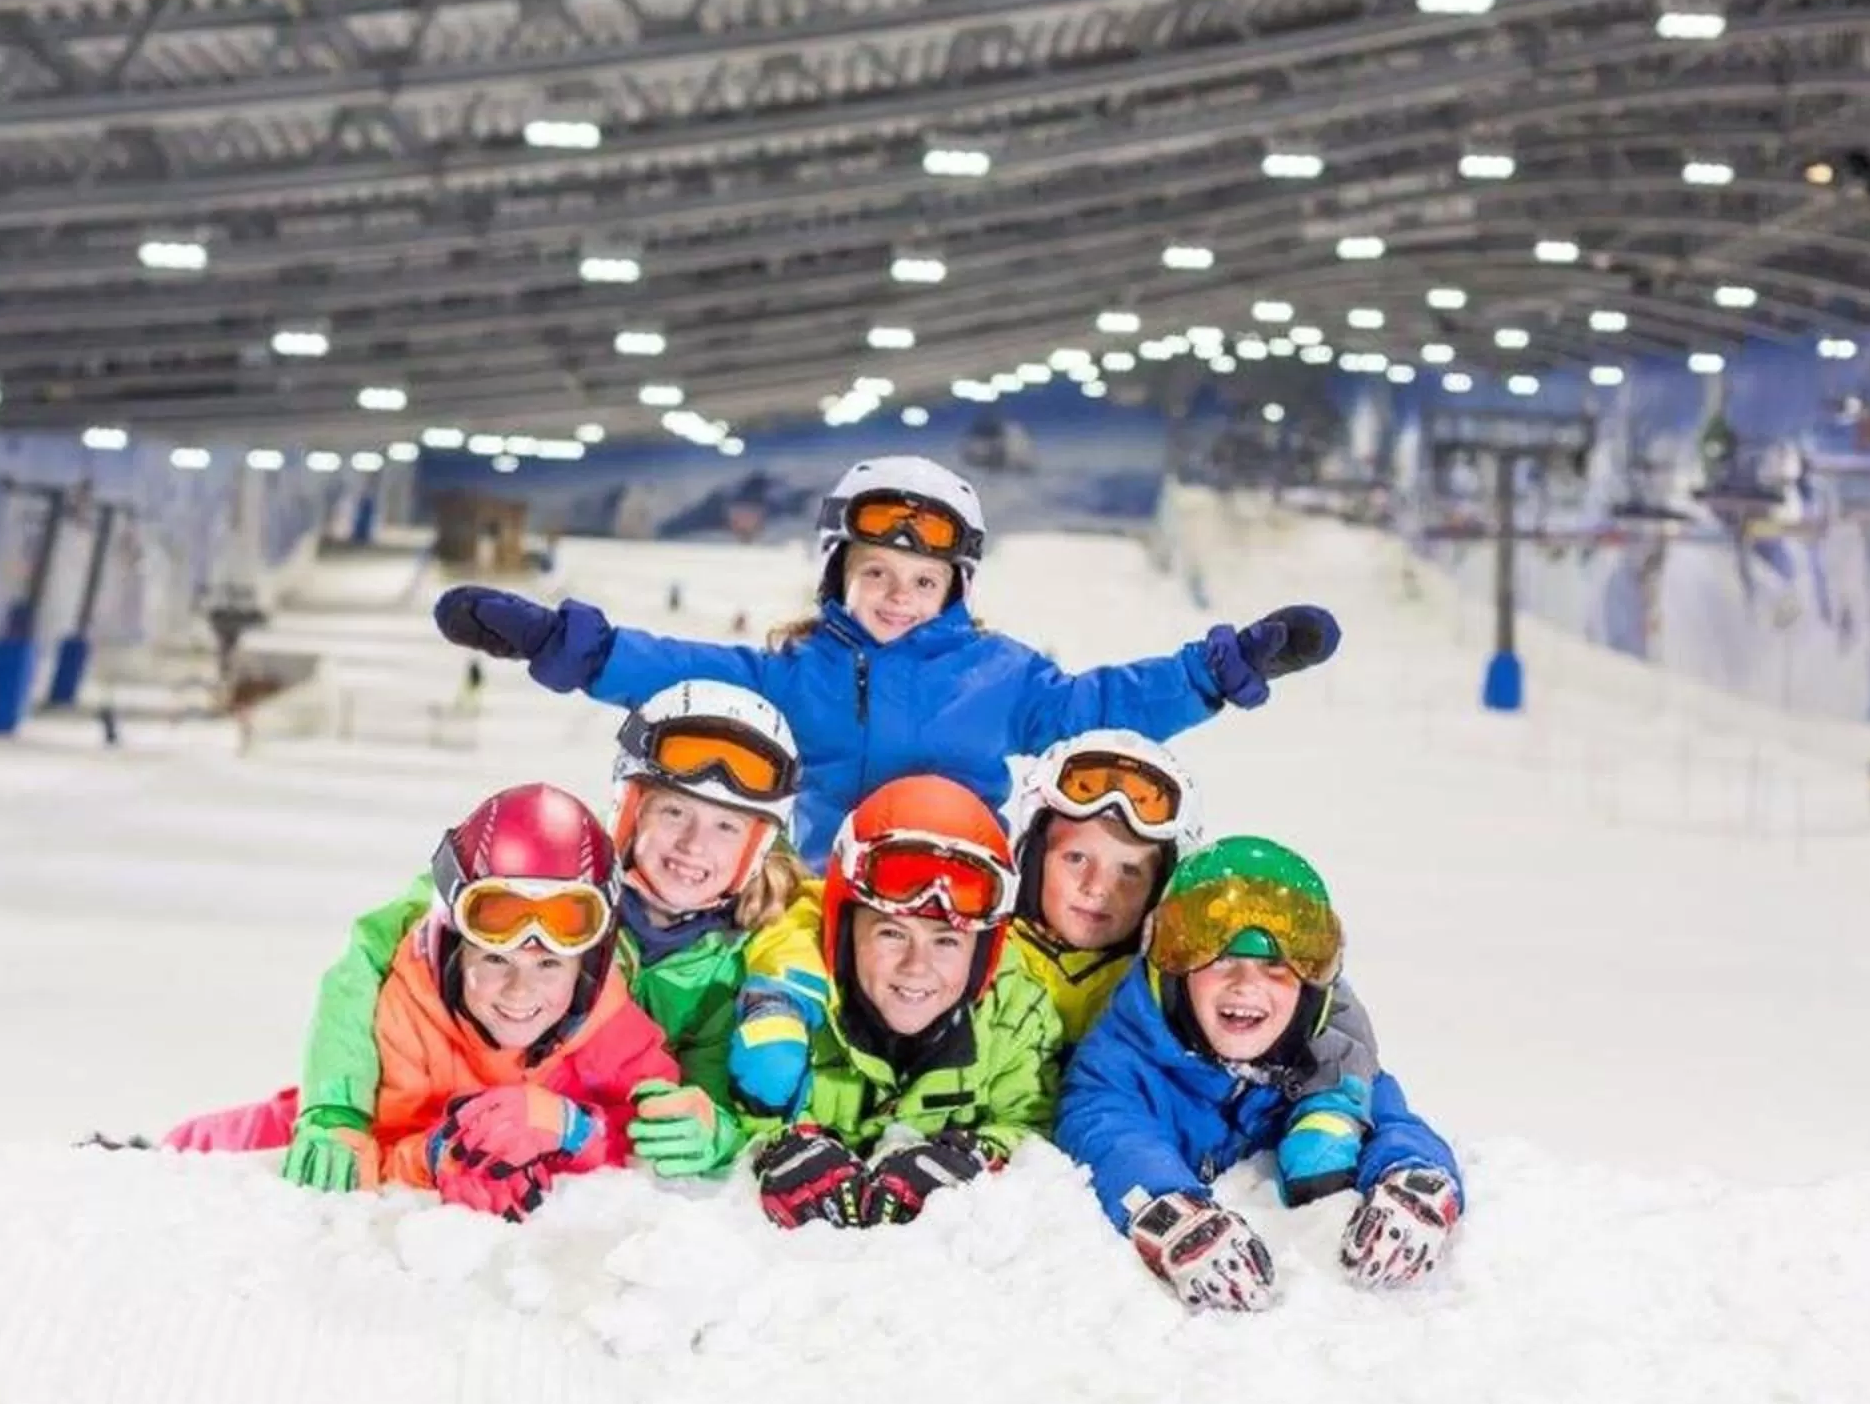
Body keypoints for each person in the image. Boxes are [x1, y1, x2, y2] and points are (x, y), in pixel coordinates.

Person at [427, 455, 1343, 851]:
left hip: (959, 896)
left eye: (922, 580)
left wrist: (1215, 671)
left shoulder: (1004, 678)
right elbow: (678, 674)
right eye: (876, 573)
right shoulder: (795, 677)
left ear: (956, 589)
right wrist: (564, 645)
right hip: (827, 892)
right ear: (838, 575)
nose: (897, 596)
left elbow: (1103, 706)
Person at [159, 685, 808, 1183]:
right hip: (422, 1086)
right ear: (631, 810)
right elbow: (364, 968)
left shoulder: (734, 969)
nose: (694, 845)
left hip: (546, 1128)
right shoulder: (538, 875)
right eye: (674, 812)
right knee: (279, 1126)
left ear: (755, 847)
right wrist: (336, 1109)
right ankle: (150, 1157)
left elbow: (682, 1096)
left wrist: (713, 1132)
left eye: (727, 828)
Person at [202, 783, 681, 1220]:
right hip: (354, 1116)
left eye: (550, 965)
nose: (520, 990)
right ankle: (152, 1148)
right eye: (495, 960)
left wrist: (572, 1128)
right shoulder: (407, 1012)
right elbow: (375, 1147)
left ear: (587, 968)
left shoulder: (610, 1022)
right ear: (454, 947)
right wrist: (435, 1154)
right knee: (266, 1129)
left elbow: (649, 1124)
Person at [1052, 835, 1463, 1311]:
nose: (1245, 985)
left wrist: (1413, 1174)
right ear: (1171, 970)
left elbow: (1390, 1117)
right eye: (1220, 958)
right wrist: (1170, 1212)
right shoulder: (1120, 1060)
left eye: (1275, 968)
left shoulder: (1321, 1057)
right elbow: (1109, 1134)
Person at [731, 775, 1066, 1230]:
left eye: (947, 941)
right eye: (891, 933)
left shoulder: (1014, 1015)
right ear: (844, 934)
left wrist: (971, 1155)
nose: (916, 966)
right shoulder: (793, 999)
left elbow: (1032, 1125)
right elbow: (724, 1104)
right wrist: (778, 1144)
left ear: (983, 955)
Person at [1001, 730, 1203, 1046]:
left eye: (1129, 871)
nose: (1097, 888)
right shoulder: (984, 956)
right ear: (1036, 859)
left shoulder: (1160, 989)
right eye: (1076, 858)